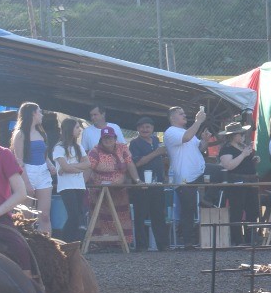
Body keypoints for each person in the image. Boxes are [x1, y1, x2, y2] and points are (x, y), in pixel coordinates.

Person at [164, 105, 208, 248]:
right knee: (188, 209)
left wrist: (205, 140)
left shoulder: (187, 131)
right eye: (181, 114)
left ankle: (205, 201)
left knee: (219, 172)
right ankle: (187, 241)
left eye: (184, 113)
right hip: (185, 177)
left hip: (197, 173)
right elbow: (187, 138)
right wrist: (198, 121)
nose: (184, 115)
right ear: (172, 118)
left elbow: (199, 148)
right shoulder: (171, 132)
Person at [86, 126, 137, 247]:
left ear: (115, 138)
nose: (108, 140)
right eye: (105, 138)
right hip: (100, 191)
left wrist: (137, 180)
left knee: (121, 216)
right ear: (101, 139)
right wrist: (83, 184)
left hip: (119, 191)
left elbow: (130, 164)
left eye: (110, 138)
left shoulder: (122, 148)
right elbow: (88, 168)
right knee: (102, 216)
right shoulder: (95, 151)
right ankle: (101, 243)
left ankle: (123, 243)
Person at [10, 102, 55, 238]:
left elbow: (44, 155)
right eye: (39, 112)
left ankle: (47, 245)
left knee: (45, 215)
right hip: (27, 173)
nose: (41, 115)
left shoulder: (41, 132)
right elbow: (19, 161)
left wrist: (50, 164)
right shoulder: (21, 134)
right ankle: (26, 245)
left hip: (43, 173)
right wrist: (27, 183)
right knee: (26, 216)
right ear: (33, 113)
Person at [128, 118, 168, 252]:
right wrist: (156, 153)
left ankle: (163, 245)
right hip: (142, 184)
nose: (145, 130)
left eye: (148, 127)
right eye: (142, 127)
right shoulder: (135, 143)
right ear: (138, 129)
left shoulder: (156, 141)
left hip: (157, 184)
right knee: (140, 215)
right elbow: (137, 163)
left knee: (159, 215)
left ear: (152, 128)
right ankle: (141, 246)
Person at [216, 122, 260, 246]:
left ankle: (250, 238)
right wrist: (243, 154)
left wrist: (253, 160)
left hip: (250, 181)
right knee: (237, 211)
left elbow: (245, 163)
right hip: (236, 182)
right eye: (240, 133)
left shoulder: (243, 146)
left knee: (253, 211)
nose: (242, 135)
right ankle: (238, 240)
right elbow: (228, 165)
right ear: (233, 135)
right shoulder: (227, 148)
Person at [51, 117, 90, 242]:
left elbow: (87, 164)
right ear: (70, 129)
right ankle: (66, 241)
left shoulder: (78, 147)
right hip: (67, 186)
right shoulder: (59, 148)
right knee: (73, 214)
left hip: (79, 185)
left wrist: (71, 167)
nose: (80, 130)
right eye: (77, 127)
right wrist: (75, 168)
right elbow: (65, 168)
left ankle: (74, 242)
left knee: (79, 215)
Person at [0, 140, 35, 272]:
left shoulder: (4, 154)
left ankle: (31, 289)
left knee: (19, 249)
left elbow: (21, 193)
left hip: (1, 219)